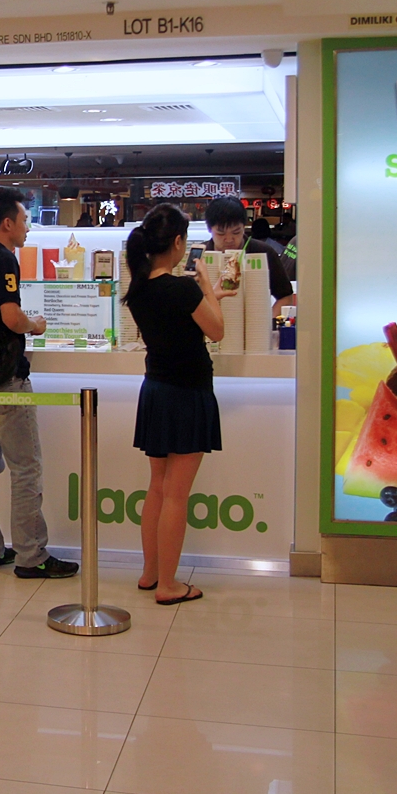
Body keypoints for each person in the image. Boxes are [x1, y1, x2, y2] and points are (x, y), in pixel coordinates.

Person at [0, 187, 79, 580]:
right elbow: (10, 317)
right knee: (26, 467)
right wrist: (35, 325)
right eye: (24, 220)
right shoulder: (4, 258)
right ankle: (31, 555)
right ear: (7, 223)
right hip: (5, 378)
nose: (27, 228)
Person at [124, 203, 233, 605]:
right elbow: (216, 331)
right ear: (177, 243)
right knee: (176, 494)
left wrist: (208, 296)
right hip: (188, 393)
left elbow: (187, 321)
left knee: (157, 487)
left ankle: (151, 573)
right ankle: (170, 585)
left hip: (156, 390)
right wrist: (207, 287)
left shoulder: (139, 290)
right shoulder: (184, 288)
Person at [203, 196, 294, 315]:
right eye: (221, 233)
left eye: (236, 232)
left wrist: (267, 323)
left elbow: (285, 296)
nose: (229, 239)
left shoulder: (263, 252)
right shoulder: (201, 255)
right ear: (209, 229)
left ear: (244, 227)